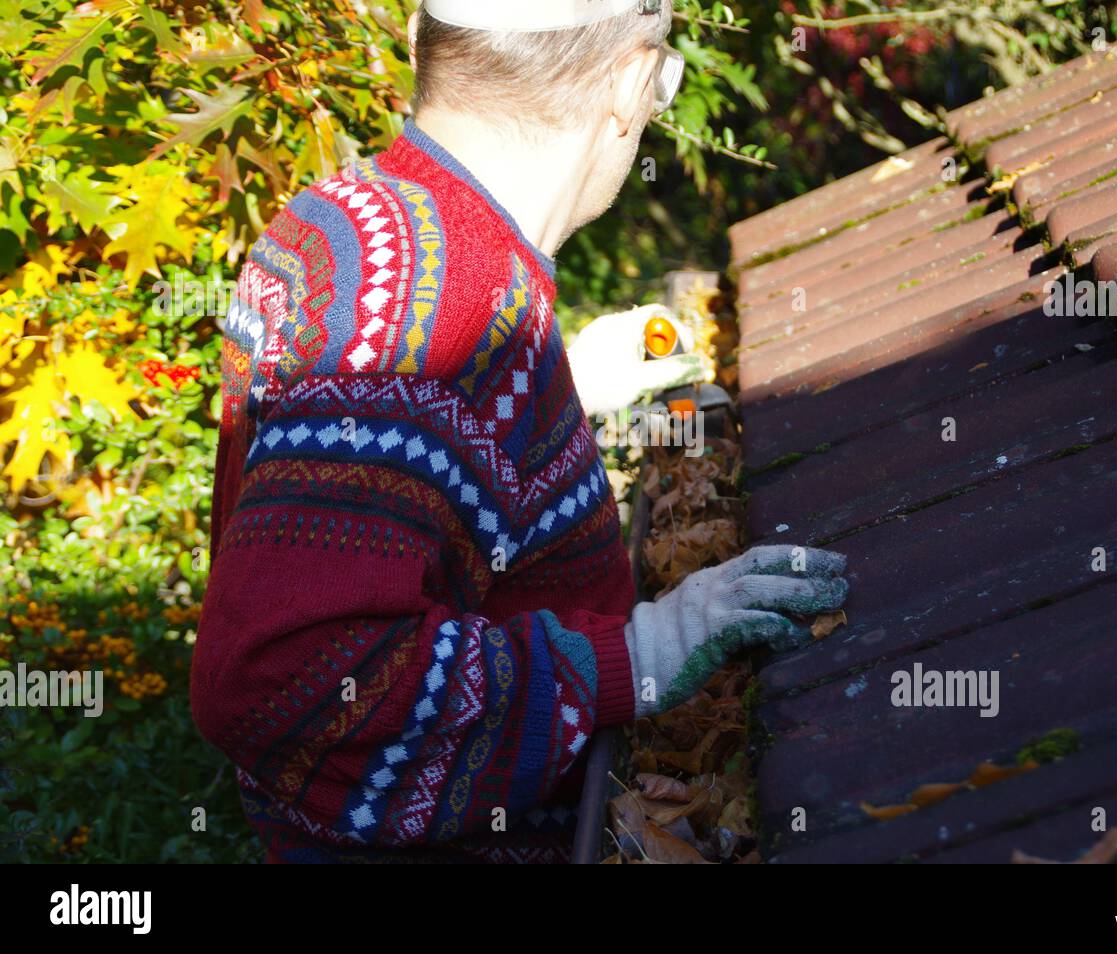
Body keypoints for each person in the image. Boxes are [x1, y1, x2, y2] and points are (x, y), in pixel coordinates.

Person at [191, 0, 848, 863]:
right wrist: (644, 653)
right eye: (663, 81)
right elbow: (282, 682)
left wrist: (559, 388)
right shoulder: (448, 307)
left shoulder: (343, 216)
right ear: (629, 81)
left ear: (428, 48)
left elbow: (401, 491)